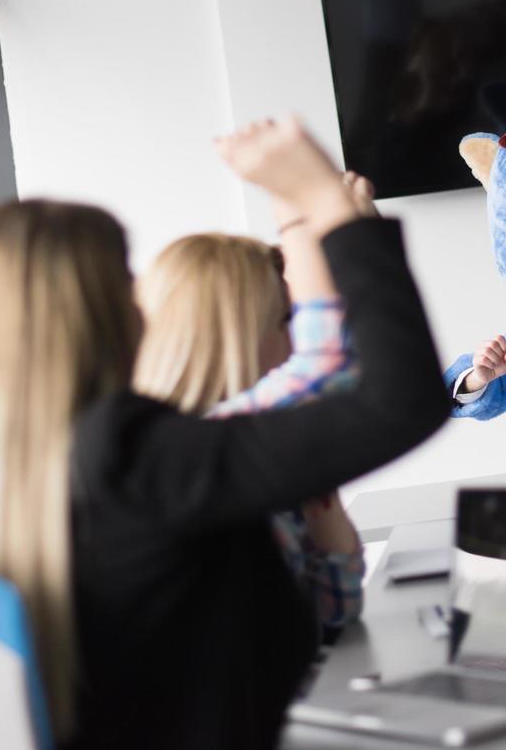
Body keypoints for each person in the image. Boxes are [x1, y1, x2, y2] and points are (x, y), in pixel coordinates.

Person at [0, 119, 449, 749]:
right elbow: (400, 402)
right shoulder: (137, 458)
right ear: (109, 307)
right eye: (128, 279)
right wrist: (329, 207)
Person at [132, 173, 379, 639]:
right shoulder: (196, 447)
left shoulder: (261, 443)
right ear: (240, 336)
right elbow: (332, 361)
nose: (300, 336)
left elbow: (334, 608)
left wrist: (316, 493)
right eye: (289, 319)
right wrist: (308, 220)